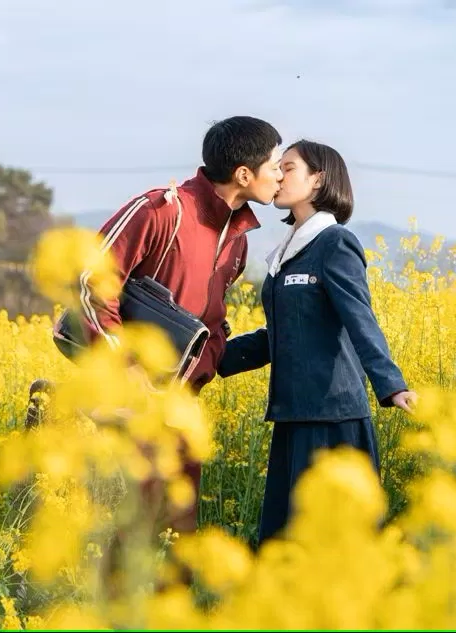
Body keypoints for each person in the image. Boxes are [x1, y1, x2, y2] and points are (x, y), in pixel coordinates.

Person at [28, 115, 284, 541]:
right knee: (117, 526)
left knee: (175, 530)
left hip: (178, 406)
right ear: (244, 174)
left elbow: (211, 316)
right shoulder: (160, 210)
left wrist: (212, 356)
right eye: (275, 164)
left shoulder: (238, 241)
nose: (279, 175)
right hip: (125, 397)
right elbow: (91, 282)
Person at [217, 139, 418, 548]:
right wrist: (214, 358)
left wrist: (391, 383)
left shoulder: (334, 244)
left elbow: (360, 318)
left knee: (336, 543)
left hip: (333, 416)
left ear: (318, 180)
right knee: (286, 542)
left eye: (288, 168)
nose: (277, 175)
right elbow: (284, 335)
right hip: (293, 417)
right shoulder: (286, 253)